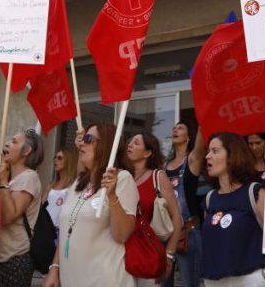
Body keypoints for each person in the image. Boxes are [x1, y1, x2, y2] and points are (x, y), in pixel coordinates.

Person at [43, 123, 138, 287]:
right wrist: (54, 268)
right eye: (82, 139)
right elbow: (68, 230)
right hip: (71, 279)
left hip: (104, 280)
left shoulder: (123, 178)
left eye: (88, 139)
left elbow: (122, 235)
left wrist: (112, 196)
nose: (81, 143)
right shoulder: (79, 183)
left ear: (105, 145)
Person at [202, 132, 265, 286]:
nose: (207, 156)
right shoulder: (209, 199)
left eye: (215, 151)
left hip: (253, 279)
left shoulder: (255, 192)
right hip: (215, 281)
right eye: (208, 151)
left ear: (232, 156)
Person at [0, 129, 44, 286]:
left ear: (27, 151)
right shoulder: (11, 179)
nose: (7, 144)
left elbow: (9, 216)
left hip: (12, 259)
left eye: (14, 141)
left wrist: (2, 184)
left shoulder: (29, 177)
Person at [126, 132, 184, 285]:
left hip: (146, 253)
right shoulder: (123, 177)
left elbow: (177, 218)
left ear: (147, 153)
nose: (130, 145)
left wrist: (169, 255)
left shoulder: (158, 177)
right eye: (130, 142)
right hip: (121, 252)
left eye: (136, 143)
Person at [163, 121, 206, 287]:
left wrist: (203, 117)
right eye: (174, 127)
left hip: (188, 232)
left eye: (180, 127)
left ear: (189, 137)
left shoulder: (192, 161)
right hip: (166, 233)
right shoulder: (164, 167)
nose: (175, 129)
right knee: (163, 283)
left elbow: (200, 147)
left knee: (190, 284)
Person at [42, 145, 79, 244]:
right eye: (55, 157)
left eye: (60, 158)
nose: (55, 160)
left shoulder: (73, 185)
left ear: (68, 162)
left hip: (61, 229)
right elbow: (42, 206)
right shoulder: (50, 185)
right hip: (46, 229)